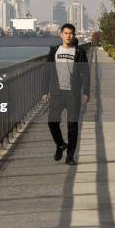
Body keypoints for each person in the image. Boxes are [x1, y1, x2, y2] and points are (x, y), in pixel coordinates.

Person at [41, 23, 90, 165]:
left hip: (73, 94)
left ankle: (70, 156)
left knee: (72, 126)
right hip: (57, 93)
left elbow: (86, 74)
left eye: (71, 33)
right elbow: (47, 73)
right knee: (52, 122)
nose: (68, 36)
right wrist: (45, 92)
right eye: (66, 33)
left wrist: (86, 92)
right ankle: (61, 144)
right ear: (61, 34)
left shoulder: (80, 53)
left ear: (74, 35)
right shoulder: (54, 51)